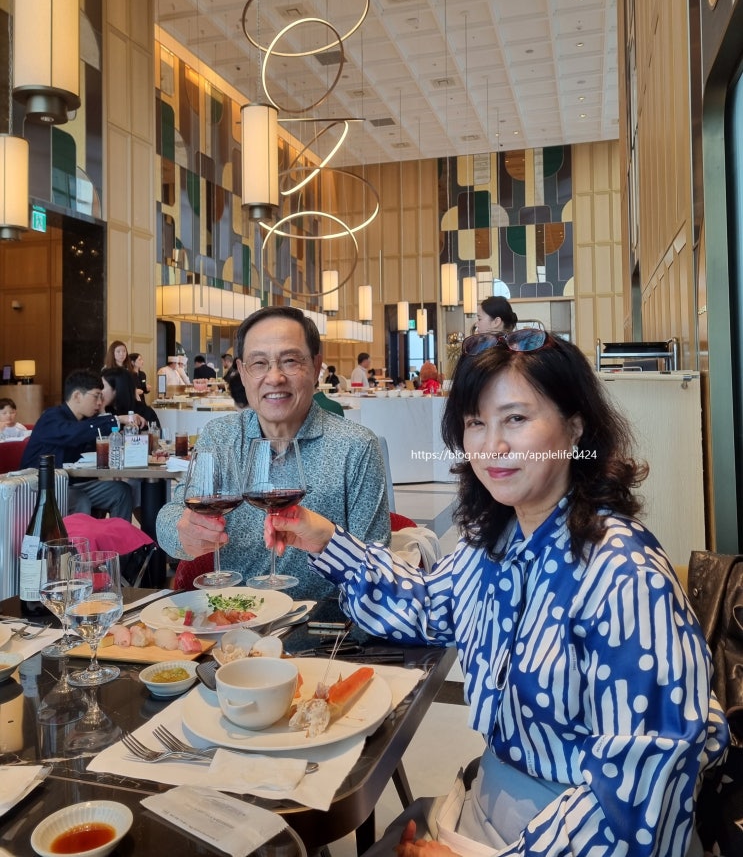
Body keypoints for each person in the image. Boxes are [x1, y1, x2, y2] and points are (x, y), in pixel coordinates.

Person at [265, 328, 728, 857]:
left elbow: (643, 793)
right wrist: (323, 539)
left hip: (575, 832)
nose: (493, 446)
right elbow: (428, 604)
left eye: (516, 418)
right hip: (485, 802)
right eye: (476, 423)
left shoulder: (624, 574)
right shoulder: (500, 541)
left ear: (575, 427)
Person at [156, 305, 390, 599]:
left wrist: (330, 541)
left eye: (290, 361)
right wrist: (182, 533)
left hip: (321, 624)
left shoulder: (356, 447)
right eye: (259, 363)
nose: (275, 377)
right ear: (242, 372)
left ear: (316, 366)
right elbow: (171, 515)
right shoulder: (221, 436)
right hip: (231, 617)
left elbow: (377, 567)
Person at [23, 370, 144, 520]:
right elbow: (73, 434)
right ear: (77, 396)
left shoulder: (85, 422)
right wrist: (116, 420)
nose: (99, 402)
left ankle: (118, 535)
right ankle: (82, 536)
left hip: (74, 483)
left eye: (101, 397)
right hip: (43, 487)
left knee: (121, 491)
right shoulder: (51, 417)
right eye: (96, 396)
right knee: (79, 498)